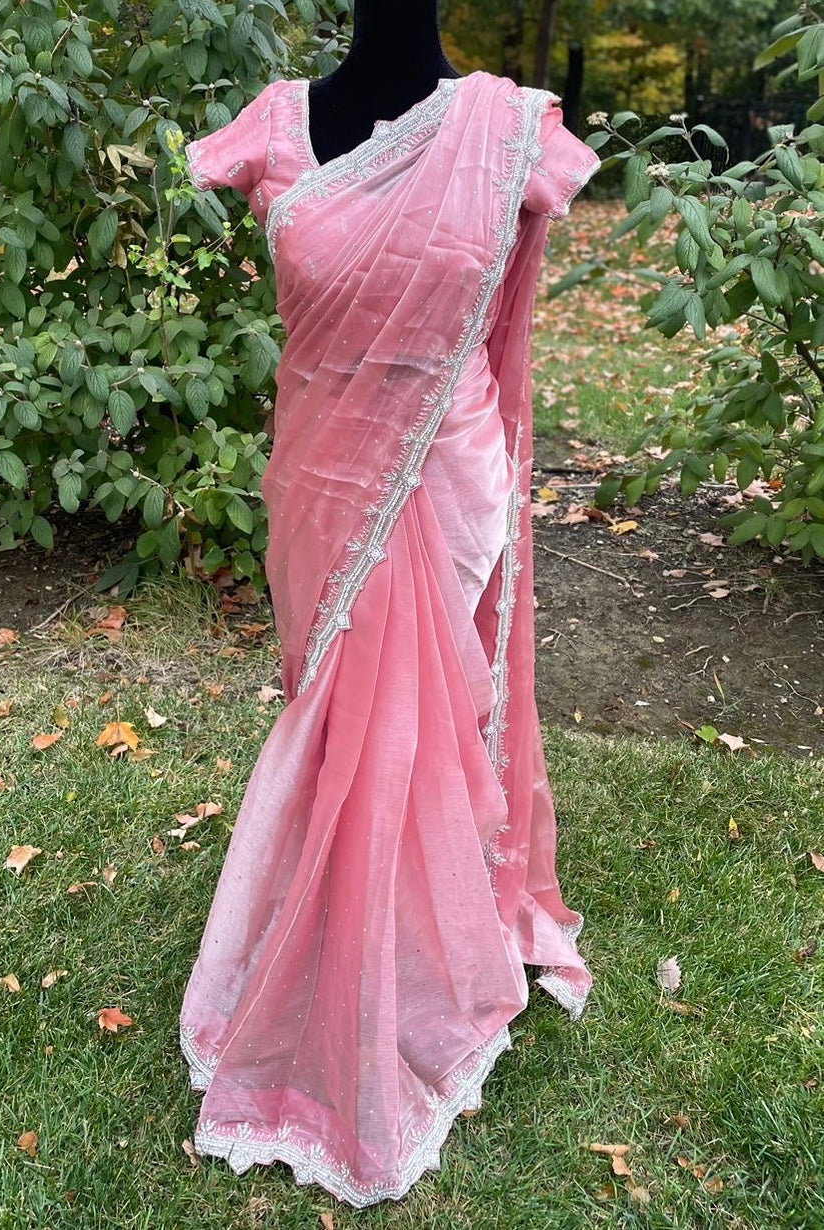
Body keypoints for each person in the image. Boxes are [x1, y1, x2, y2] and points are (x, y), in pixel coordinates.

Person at [178, 1, 600, 1207]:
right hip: (321, 478)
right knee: (345, 720)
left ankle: (392, 967)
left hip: (447, 470)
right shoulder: (274, 127)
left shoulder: (510, 131)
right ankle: (359, 931)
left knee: (409, 725)